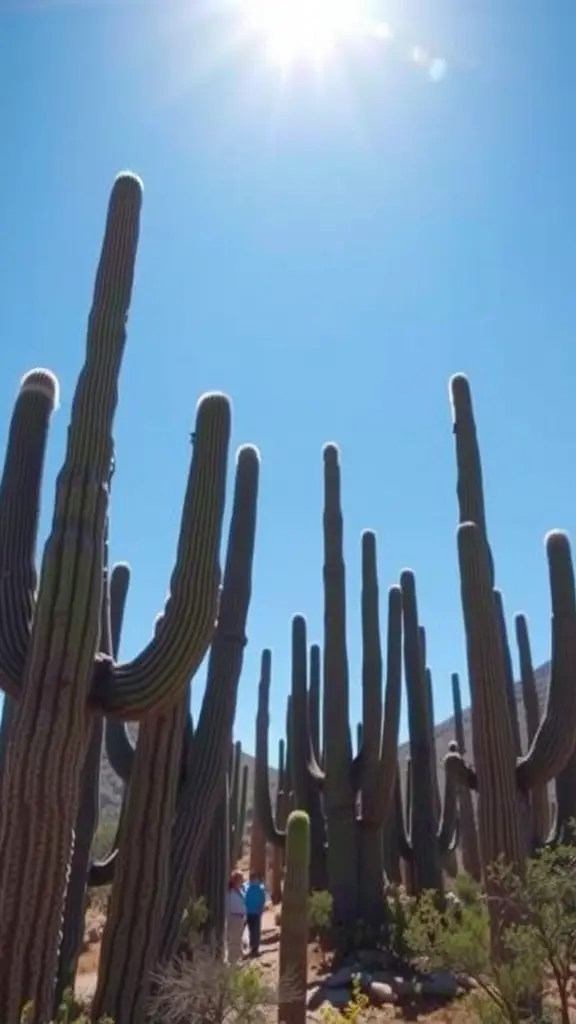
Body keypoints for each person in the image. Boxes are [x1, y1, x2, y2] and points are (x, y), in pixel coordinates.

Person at [244, 871, 268, 956]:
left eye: (254, 878)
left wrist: (261, 909)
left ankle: (255, 948)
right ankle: (253, 948)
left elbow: (263, 900)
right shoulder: (248, 887)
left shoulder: (259, 888)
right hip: (250, 912)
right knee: (252, 931)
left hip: (255, 912)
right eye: (252, 878)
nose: (253, 880)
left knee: (255, 931)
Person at [227, 870, 246, 963]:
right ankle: (232, 962)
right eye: (240, 880)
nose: (242, 881)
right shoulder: (230, 893)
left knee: (239, 940)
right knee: (234, 941)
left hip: (241, 918)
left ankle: (238, 960)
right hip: (234, 918)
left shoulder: (240, 891)